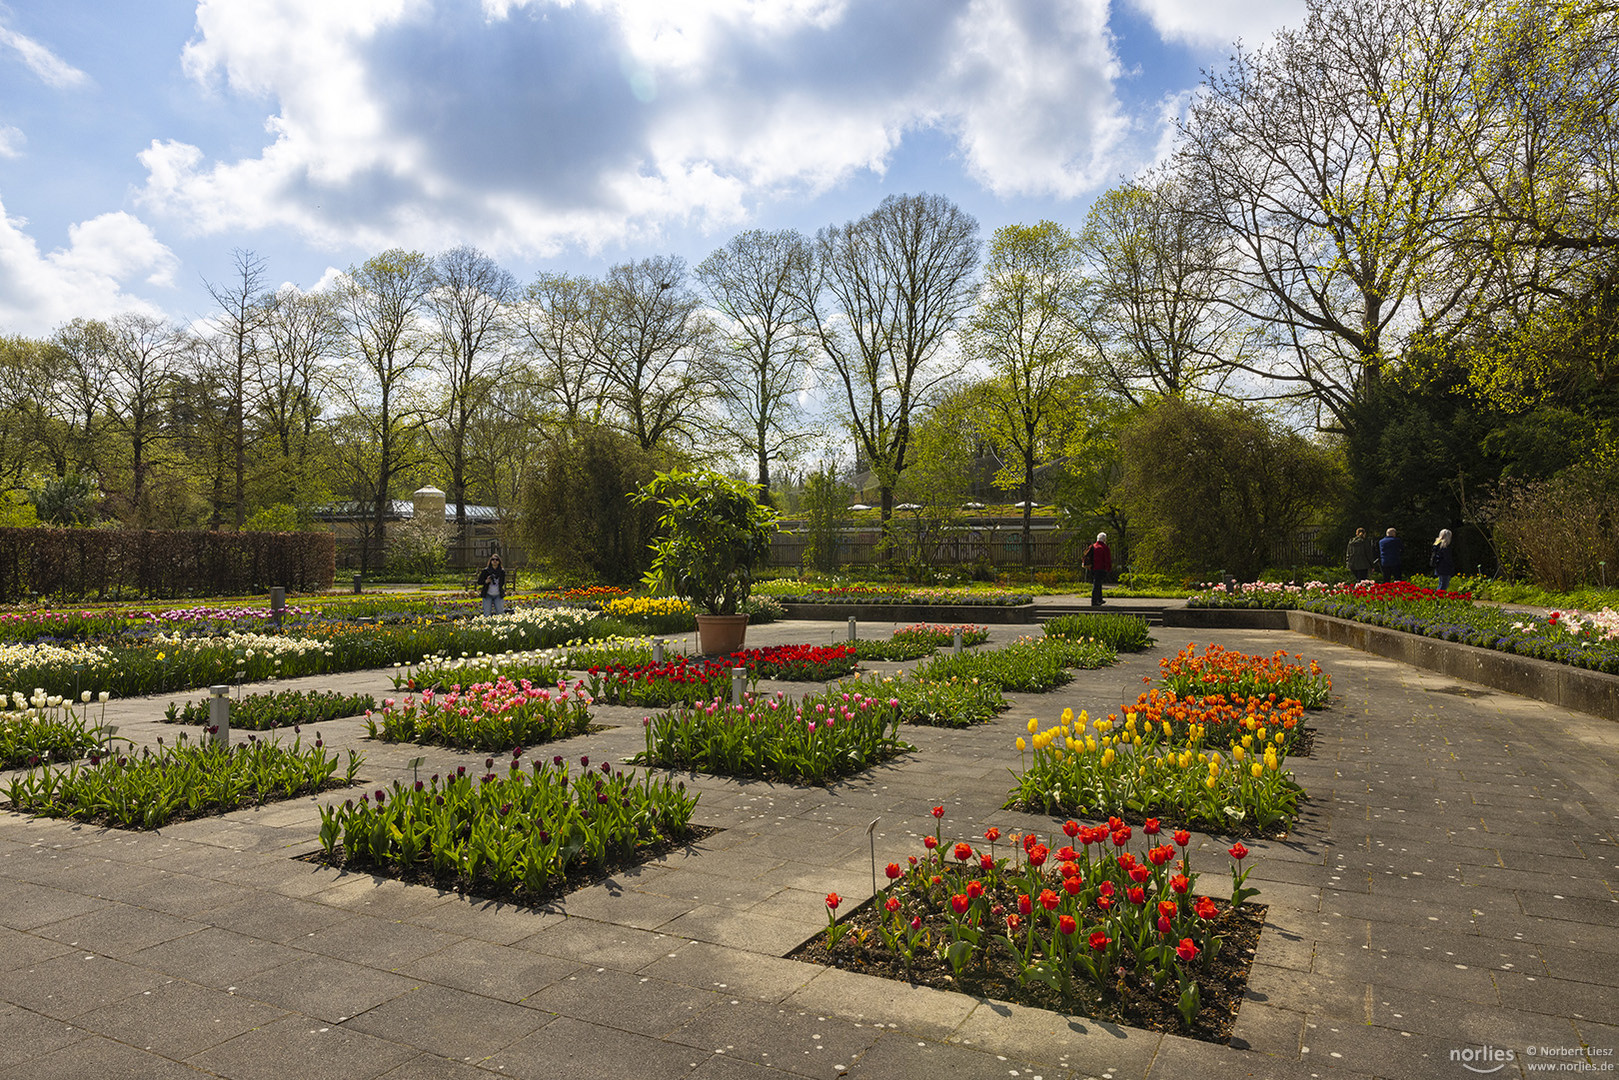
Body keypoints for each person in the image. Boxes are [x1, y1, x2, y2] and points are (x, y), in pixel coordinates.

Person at [1082, 532, 1112, 607]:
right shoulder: (1104, 547)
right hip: (1101, 568)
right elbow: (1107, 560)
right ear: (1104, 539)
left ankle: (1099, 599)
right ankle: (1094, 601)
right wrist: (1108, 569)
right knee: (1097, 584)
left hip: (1093, 568)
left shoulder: (1093, 546)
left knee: (1098, 583)